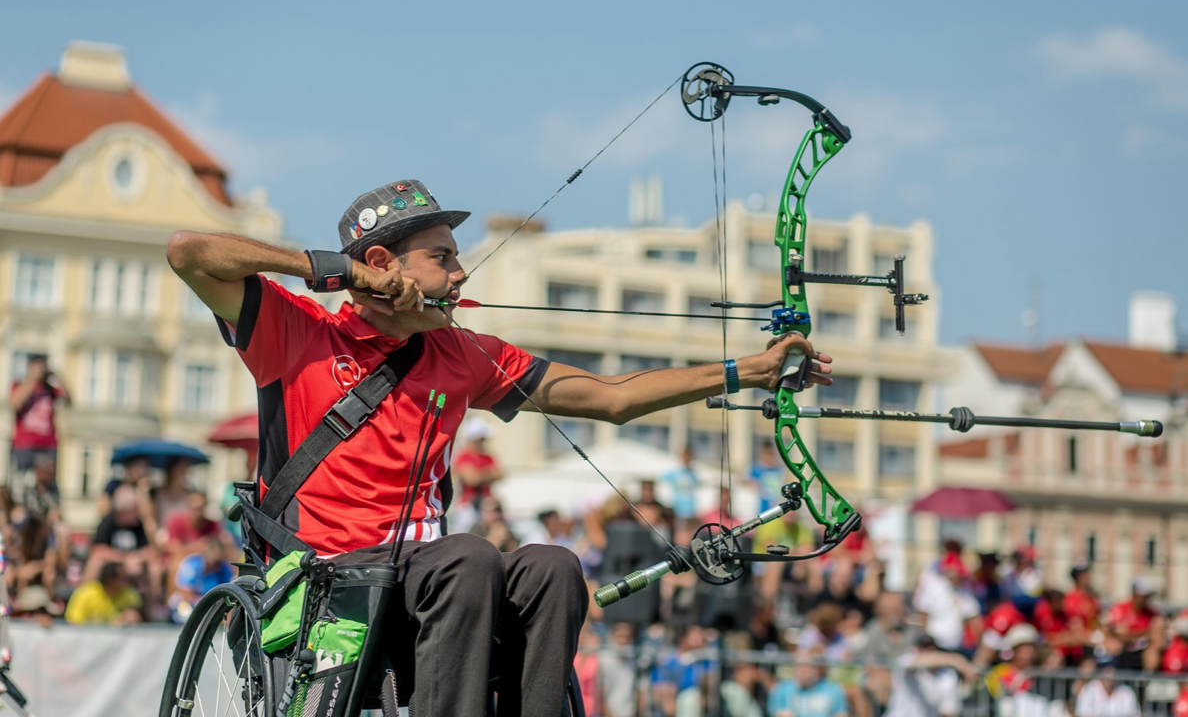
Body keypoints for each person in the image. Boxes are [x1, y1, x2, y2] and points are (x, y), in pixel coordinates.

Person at [165, 178, 832, 717]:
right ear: (379, 265)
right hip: (327, 581)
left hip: (428, 580)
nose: (459, 273)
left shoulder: (465, 354)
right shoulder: (295, 332)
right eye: (442, 257)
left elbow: (613, 397)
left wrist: (750, 370)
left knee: (551, 566)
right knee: (471, 557)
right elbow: (188, 253)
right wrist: (332, 271)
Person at [8, 354, 69, 491]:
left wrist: (57, 377)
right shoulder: (19, 384)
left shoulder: (50, 389)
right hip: (25, 444)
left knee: (47, 484)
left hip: (47, 445)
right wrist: (32, 378)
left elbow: (68, 400)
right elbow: (15, 403)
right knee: (22, 483)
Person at [64, 561, 143, 626]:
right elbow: (73, 622)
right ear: (110, 579)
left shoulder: (129, 594)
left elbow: (142, 620)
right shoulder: (86, 593)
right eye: (123, 578)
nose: (127, 582)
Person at [452, 417, 503, 508]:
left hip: (486, 504)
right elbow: (472, 480)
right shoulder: (463, 456)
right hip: (468, 504)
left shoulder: (487, 456)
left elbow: (499, 474)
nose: (484, 442)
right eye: (482, 439)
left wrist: (479, 474)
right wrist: (488, 473)